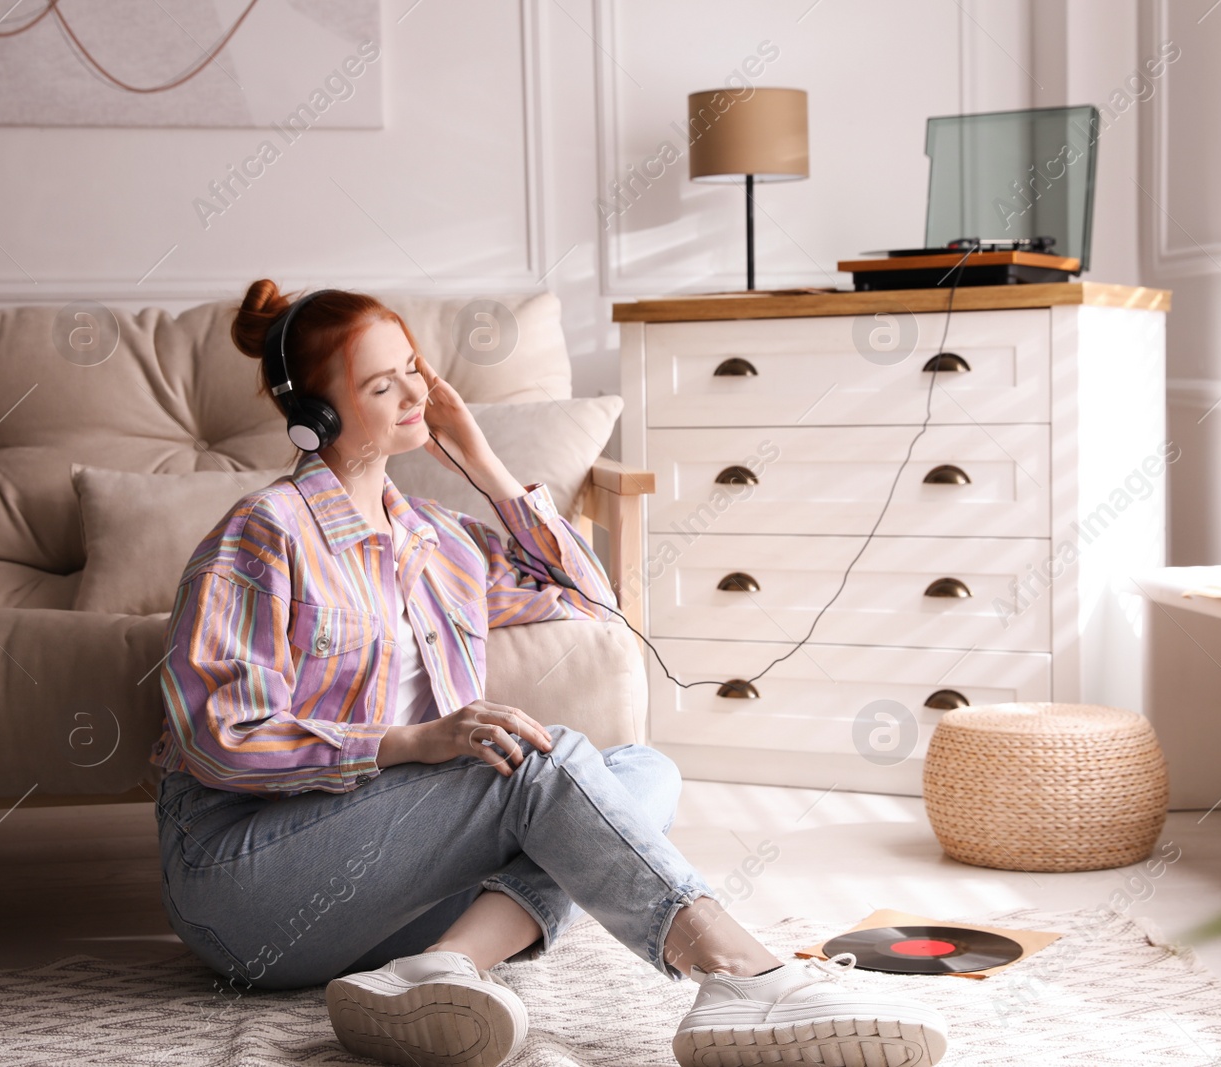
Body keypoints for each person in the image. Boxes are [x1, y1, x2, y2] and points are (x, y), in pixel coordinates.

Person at [150, 281, 949, 1067]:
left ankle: (441, 967)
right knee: (538, 758)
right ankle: (743, 972)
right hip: (248, 894)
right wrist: (416, 740)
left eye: (413, 369)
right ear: (314, 414)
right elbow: (225, 739)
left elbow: (588, 597)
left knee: (643, 770)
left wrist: (482, 459)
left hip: (388, 902)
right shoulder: (263, 534)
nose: (411, 392)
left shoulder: (436, 539)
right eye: (379, 383)